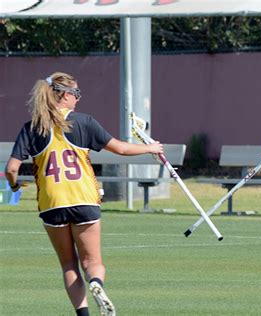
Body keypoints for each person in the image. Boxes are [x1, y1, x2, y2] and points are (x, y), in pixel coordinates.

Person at [4, 72, 164, 316]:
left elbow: (11, 169)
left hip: (51, 203)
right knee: (92, 262)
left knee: (69, 264)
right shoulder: (85, 121)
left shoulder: (32, 127)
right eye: (76, 94)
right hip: (84, 199)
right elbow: (120, 148)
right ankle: (97, 284)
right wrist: (150, 148)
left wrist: (15, 187)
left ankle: (84, 314)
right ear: (65, 95)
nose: (78, 99)